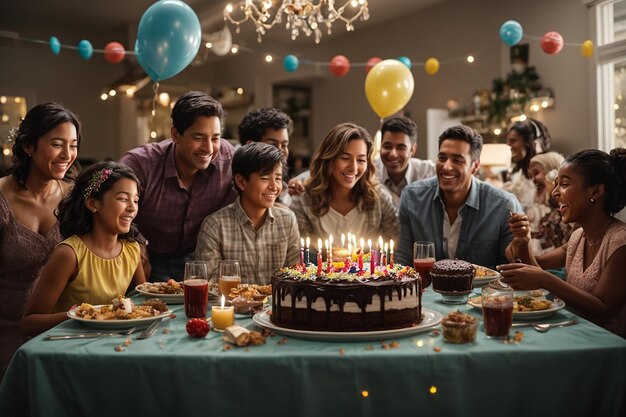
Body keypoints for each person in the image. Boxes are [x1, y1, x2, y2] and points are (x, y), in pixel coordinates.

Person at [500, 148, 626, 338]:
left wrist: (546, 279)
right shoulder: (578, 237)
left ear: (596, 191)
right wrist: (524, 241)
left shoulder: (620, 241)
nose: (555, 192)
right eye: (556, 184)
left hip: (607, 347)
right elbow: (537, 267)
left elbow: (603, 309)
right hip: (573, 334)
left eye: (564, 184)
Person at [119, 91, 237, 281]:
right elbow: (113, 209)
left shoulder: (229, 161)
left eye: (215, 138)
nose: (208, 148)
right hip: (145, 258)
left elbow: (256, 184)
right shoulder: (139, 164)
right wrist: (136, 241)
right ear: (176, 134)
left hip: (199, 260)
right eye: (198, 138)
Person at [0, 102, 81, 377]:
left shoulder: (74, 197)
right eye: (58, 144)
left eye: (73, 145)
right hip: (4, 329)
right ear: (28, 146)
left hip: (57, 327)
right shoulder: (2, 197)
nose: (67, 155)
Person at [21, 161, 146, 336]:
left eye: (135, 200)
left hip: (113, 343)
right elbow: (29, 323)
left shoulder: (132, 250)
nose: (132, 208)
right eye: (123, 199)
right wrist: (80, 315)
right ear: (93, 203)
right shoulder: (69, 254)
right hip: (70, 345)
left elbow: (144, 303)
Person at [396, 125, 522, 270]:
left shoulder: (502, 206)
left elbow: (510, 270)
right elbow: (403, 260)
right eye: (442, 158)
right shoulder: (412, 198)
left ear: (475, 166)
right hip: (424, 292)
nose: (446, 167)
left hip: (484, 292)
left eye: (458, 160)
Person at [195, 143, 300, 284]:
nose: (274, 186)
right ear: (241, 182)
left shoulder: (287, 220)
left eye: (278, 178)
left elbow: (296, 277)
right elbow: (212, 285)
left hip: (277, 305)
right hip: (232, 305)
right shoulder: (215, 226)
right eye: (264, 178)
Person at [290, 122, 398, 245]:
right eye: (345, 158)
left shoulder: (380, 198)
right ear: (328, 159)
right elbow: (301, 253)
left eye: (361, 160)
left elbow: (397, 247)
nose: (353, 167)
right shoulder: (303, 201)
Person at [374, 116, 435, 207]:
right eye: (387, 146)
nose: (393, 154)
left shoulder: (428, 173)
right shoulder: (370, 172)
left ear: (413, 150)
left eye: (401, 147)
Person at [238, 107, 292, 206]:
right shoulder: (236, 190)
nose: (281, 152)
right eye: (272, 145)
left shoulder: (288, 192)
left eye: (284, 145)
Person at [526, 151, 575, 254]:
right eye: (531, 176)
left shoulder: (571, 216)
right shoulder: (549, 215)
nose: (533, 180)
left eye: (536, 173)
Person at [502, 118, 551, 210]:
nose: (508, 144)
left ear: (532, 143)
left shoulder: (547, 174)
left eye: (513, 140)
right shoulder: (518, 174)